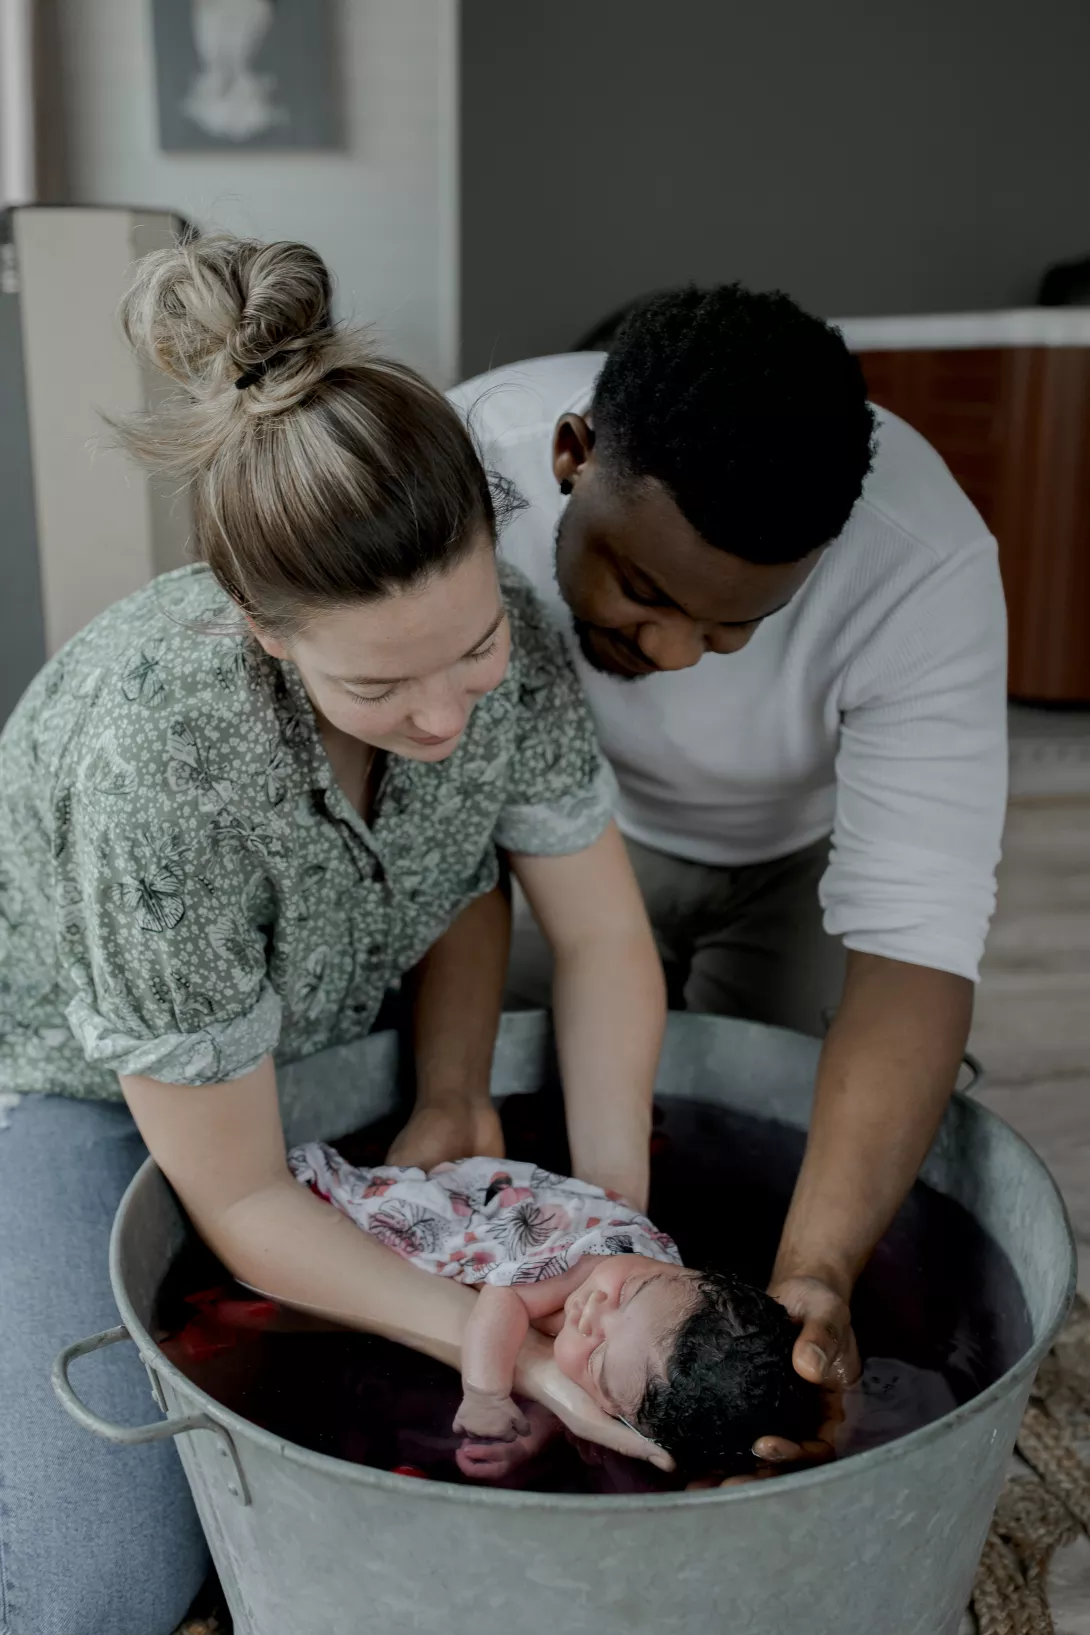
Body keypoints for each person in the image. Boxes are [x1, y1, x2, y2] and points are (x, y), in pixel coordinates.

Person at [0, 233, 668, 1635]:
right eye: (380, 685)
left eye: (470, 648)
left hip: (320, 1024)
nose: (445, 717)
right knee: (96, 1592)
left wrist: (608, 1228)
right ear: (261, 631)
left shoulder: (522, 644)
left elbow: (603, 943)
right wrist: (491, 1327)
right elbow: (242, 1200)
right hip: (75, 1082)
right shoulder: (157, 761)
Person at [448, 285, 1008, 1445]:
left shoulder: (928, 568)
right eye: (643, 590)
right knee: (492, 1117)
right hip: (559, 847)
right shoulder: (465, 465)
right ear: (572, 453)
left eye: (733, 627)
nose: (671, 654)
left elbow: (914, 934)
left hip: (793, 860)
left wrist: (816, 1273)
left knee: (818, 1152)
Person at [288, 1146, 817, 1480]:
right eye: (628, 1292)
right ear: (691, 1274)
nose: (591, 1311)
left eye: (599, 1356)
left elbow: (576, 1394)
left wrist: (531, 1436)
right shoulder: (603, 1256)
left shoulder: (644, 1343)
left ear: (614, 1407)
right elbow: (505, 1298)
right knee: (350, 1232)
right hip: (479, 1206)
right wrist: (486, 1393)